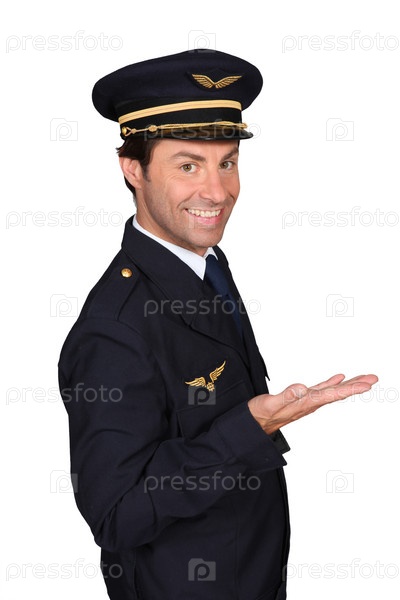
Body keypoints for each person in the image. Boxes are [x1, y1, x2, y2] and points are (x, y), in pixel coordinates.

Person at [58, 49, 378, 600]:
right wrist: (249, 428)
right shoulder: (114, 329)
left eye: (226, 163)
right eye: (188, 166)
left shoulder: (206, 264)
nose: (217, 191)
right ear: (133, 169)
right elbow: (117, 516)